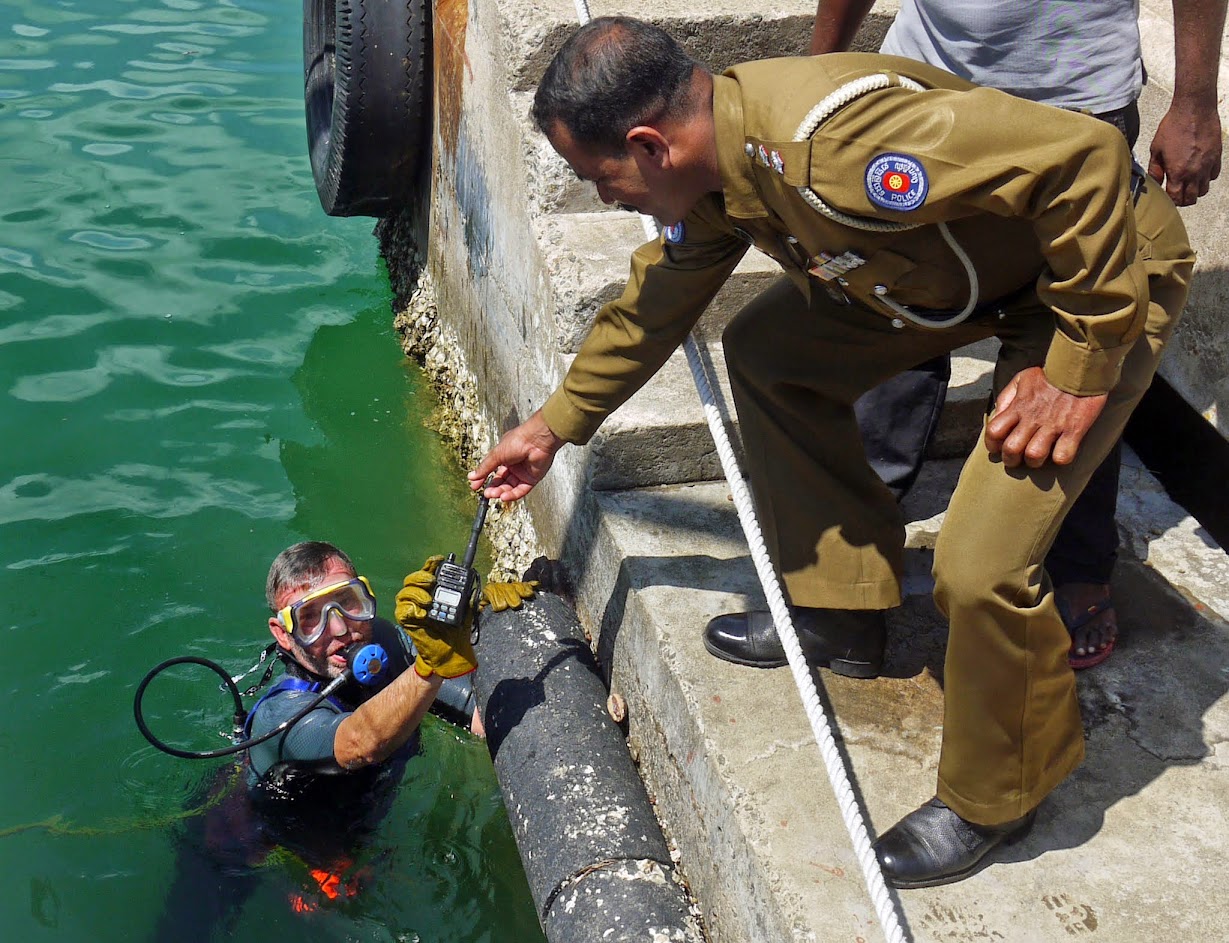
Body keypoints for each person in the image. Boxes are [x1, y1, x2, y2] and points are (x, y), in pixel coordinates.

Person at [468, 17, 1194, 887]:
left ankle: (997, 793)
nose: (603, 198)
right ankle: (840, 608)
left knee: (979, 566)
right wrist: (551, 427)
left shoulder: (833, 148)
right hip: (965, 277)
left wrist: (1080, 363)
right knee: (768, 352)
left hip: (1093, 285)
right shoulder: (720, 165)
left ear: (650, 145)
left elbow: (1085, 159)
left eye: (599, 177)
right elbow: (658, 295)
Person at [789, 0, 1226, 672]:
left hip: (1078, 105)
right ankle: (851, 574)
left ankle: (1077, 563)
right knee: (898, 318)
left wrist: (1194, 99)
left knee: (1080, 350)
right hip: (924, 95)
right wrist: (822, 70)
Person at [153, 541, 534, 937]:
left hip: (346, 829)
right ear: (283, 634)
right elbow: (360, 743)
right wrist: (432, 664)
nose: (339, 630)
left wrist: (490, 626)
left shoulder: (382, 641)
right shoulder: (280, 714)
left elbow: (473, 712)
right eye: (310, 618)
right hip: (243, 841)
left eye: (348, 603)